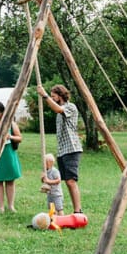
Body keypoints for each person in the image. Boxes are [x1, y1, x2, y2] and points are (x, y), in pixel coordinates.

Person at [36, 83, 83, 214]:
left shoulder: (70, 107)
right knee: (65, 181)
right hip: (62, 150)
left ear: (60, 95)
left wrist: (45, 95)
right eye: (51, 96)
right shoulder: (58, 112)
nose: (52, 98)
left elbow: (58, 109)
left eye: (53, 96)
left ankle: (78, 211)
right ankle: (58, 210)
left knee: (71, 181)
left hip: (72, 149)